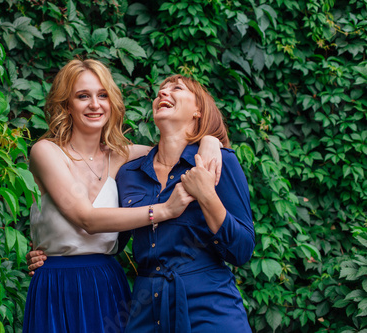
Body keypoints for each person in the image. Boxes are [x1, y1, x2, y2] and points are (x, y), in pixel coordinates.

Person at [28, 73, 255, 332]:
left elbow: (242, 250)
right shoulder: (131, 170)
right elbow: (107, 234)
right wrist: (51, 250)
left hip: (207, 306)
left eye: (176, 88)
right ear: (67, 105)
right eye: (160, 91)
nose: (163, 94)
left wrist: (211, 148)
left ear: (198, 111)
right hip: (146, 311)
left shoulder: (216, 163)